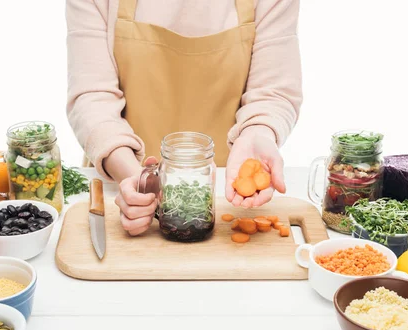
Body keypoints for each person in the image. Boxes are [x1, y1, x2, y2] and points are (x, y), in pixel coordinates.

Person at [66, 0, 302, 236]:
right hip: (122, 182)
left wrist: (257, 133)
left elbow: (274, 90)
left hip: (224, 191)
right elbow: (92, 97)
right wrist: (136, 182)